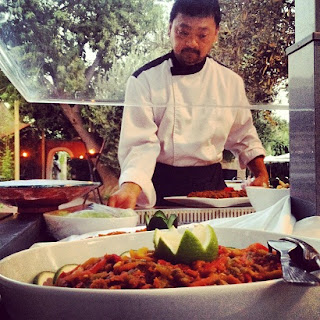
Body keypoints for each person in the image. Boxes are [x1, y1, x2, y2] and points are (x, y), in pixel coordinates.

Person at [108, 0, 269, 209]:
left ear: (216, 33)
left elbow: (244, 135)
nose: (192, 43)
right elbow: (141, 145)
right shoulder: (144, 80)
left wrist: (261, 174)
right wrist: (130, 186)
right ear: (169, 28)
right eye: (182, 32)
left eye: (202, 35)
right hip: (161, 188)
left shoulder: (230, 82)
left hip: (212, 189)